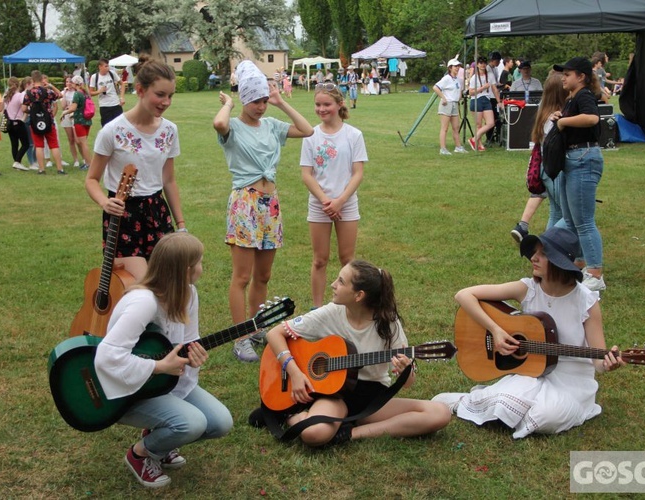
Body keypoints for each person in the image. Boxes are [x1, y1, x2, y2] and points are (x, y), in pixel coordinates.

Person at [433, 227, 623, 439]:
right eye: (535, 252)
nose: (533, 257)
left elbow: (598, 361)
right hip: (532, 373)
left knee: (545, 418)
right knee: (505, 401)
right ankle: (469, 402)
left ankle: (508, 409)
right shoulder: (528, 289)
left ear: (558, 262)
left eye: (542, 254)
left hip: (571, 383)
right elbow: (464, 295)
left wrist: (607, 364)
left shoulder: (586, 301)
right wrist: (495, 330)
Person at [257, 260, 451, 446]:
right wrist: (295, 373)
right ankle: (293, 415)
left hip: (372, 399)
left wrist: (405, 370)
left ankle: (349, 433)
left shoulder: (389, 324)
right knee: (313, 434)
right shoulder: (331, 312)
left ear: (359, 296)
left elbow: (409, 383)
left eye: (341, 281)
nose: (333, 284)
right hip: (334, 395)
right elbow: (275, 334)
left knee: (440, 413)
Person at [95, 232, 233, 488]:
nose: (203, 268)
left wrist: (194, 356)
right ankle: (140, 454)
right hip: (123, 389)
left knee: (220, 423)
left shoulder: (188, 294)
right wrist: (159, 366)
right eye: (200, 262)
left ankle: (159, 439)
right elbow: (106, 356)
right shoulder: (143, 303)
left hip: (159, 383)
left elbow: (188, 342)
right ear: (186, 269)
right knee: (193, 423)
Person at [213, 60, 313, 362]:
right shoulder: (233, 127)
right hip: (245, 203)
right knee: (241, 276)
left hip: (270, 205)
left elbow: (307, 130)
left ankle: (256, 326)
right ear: (244, 98)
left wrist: (281, 102)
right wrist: (229, 104)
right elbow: (219, 123)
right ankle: (240, 336)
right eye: (256, 100)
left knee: (264, 276)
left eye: (264, 100)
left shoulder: (272, 125)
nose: (261, 106)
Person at [86, 54, 187, 282]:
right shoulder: (112, 131)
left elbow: (169, 180)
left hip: (157, 211)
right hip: (123, 214)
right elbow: (91, 179)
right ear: (140, 90)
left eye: (170, 95)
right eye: (160, 95)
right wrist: (105, 202)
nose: (166, 102)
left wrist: (181, 225)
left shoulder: (169, 131)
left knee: (176, 281)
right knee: (142, 286)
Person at [300, 83, 367, 308]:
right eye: (318, 104)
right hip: (320, 205)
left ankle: (345, 305)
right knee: (320, 259)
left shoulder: (354, 135)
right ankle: (318, 309)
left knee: (347, 260)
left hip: (346, 204)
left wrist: (340, 201)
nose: (321, 109)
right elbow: (307, 174)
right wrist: (325, 201)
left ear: (339, 105)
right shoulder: (310, 135)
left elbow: (358, 174)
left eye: (327, 104)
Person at [552, 57, 606, 292]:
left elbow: (592, 118)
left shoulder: (583, 94)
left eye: (568, 73)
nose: (563, 77)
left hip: (583, 159)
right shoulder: (572, 97)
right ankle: (581, 264)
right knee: (572, 220)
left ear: (581, 76)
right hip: (572, 159)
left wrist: (563, 121)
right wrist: (559, 117)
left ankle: (595, 273)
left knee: (583, 221)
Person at [510, 72, 568, 242]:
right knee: (571, 216)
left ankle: (548, 250)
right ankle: (544, 247)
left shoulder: (544, 109)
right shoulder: (556, 116)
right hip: (555, 170)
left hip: (544, 168)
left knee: (556, 212)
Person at [20, 70, 66, 175]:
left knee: (39, 145)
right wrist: (50, 86)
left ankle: (41, 169)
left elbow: (23, 108)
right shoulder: (48, 92)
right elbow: (59, 95)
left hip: (35, 121)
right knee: (54, 145)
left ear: (32, 80)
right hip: (48, 120)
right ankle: (60, 169)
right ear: (41, 79)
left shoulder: (29, 93)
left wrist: (31, 111)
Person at [433, 58, 466, 155]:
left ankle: (458, 147)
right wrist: (443, 98)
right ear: (450, 68)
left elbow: (458, 90)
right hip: (447, 104)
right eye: (455, 66)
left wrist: (459, 97)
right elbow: (436, 87)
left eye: (458, 66)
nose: (457, 68)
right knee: (445, 127)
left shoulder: (457, 79)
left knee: (456, 127)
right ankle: (443, 149)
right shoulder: (446, 78)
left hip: (455, 104)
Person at [60, 75, 93, 170]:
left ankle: (88, 163)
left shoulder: (77, 94)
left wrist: (64, 113)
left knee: (83, 143)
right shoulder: (85, 93)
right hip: (87, 120)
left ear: (75, 83)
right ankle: (87, 162)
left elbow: (73, 108)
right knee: (81, 141)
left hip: (79, 120)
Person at [468, 56, 500, 151]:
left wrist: (498, 101)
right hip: (476, 100)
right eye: (480, 63)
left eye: (484, 63)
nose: (483, 65)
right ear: (477, 64)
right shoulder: (474, 77)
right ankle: (479, 144)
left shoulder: (489, 75)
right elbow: (470, 92)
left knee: (490, 123)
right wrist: (483, 88)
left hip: (486, 99)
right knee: (478, 125)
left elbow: (494, 88)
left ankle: (474, 139)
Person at [3, 76, 30, 172]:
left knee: (14, 144)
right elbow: (24, 108)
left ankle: (17, 162)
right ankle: (17, 162)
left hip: (9, 123)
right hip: (18, 121)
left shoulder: (6, 96)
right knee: (26, 144)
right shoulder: (20, 95)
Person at [90, 58, 126, 126]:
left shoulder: (112, 73)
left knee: (120, 126)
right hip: (104, 106)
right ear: (100, 67)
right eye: (106, 66)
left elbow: (122, 84)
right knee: (106, 127)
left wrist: (122, 97)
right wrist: (99, 91)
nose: (108, 68)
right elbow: (90, 93)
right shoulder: (94, 77)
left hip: (116, 104)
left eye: (108, 66)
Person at [59, 76, 81, 168]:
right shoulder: (64, 92)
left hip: (75, 116)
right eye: (67, 82)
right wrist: (64, 94)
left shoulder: (77, 92)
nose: (68, 83)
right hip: (66, 116)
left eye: (70, 81)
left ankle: (84, 158)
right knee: (71, 139)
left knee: (78, 140)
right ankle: (75, 159)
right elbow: (63, 106)